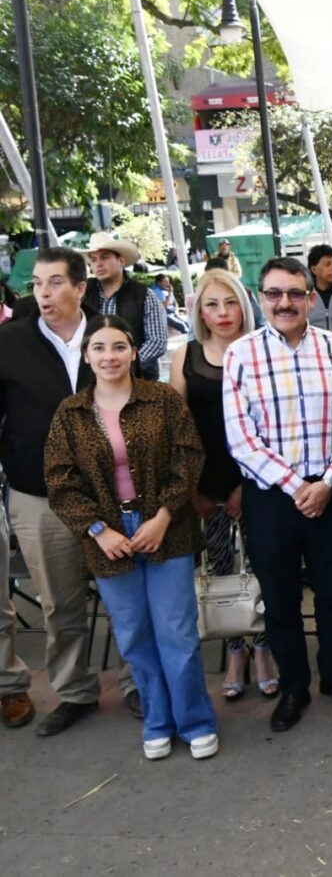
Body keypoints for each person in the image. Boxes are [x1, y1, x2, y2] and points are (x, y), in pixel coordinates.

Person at [44, 315, 217, 761]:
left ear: (134, 352)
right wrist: (97, 530)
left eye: (119, 346)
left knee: (177, 632)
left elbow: (188, 458)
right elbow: (60, 482)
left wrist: (163, 516)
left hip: (166, 529)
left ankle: (195, 721)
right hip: (107, 536)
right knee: (135, 635)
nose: (110, 357)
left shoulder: (162, 400)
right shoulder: (71, 413)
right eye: (99, 348)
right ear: (86, 356)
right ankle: (157, 721)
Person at [223, 257, 332, 733]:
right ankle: (293, 687)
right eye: (273, 293)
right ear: (260, 298)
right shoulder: (241, 355)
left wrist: (328, 481)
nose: (283, 302)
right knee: (281, 600)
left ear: (309, 297)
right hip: (271, 498)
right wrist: (296, 486)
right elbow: (241, 439)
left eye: (293, 293)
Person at [0, 248, 121, 735]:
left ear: (80, 288)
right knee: (59, 602)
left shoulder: (109, 334)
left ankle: (138, 683)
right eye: (36, 283)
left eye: (54, 283)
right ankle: (74, 691)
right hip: (38, 495)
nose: (43, 293)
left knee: (125, 596)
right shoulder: (11, 341)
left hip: (112, 492)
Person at [169, 270, 278, 701]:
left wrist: (248, 485)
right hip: (205, 484)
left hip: (258, 480)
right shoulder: (186, 355)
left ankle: (263, 647)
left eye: (231, 302)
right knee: (220, 570)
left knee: (262, 567)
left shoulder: (262, 350)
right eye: (212, 304)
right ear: (199, 311)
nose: (223, 312)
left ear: (245, 305)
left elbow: (274, 425)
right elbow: (176, 428)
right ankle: (235, 650)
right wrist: (190, 488)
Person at [81, 233, 167, 378]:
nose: (98, 264)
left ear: (121, 260)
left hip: (139, 379)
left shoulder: (144, 295)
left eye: (104, 257)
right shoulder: (82, 294)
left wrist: (127, 363)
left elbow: (157, 341)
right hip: (92, 379)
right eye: (93, 260)